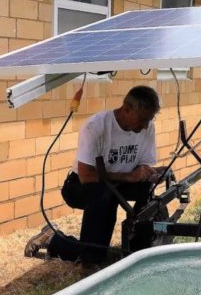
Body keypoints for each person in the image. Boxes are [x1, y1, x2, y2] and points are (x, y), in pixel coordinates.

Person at [25, 85, 166, 265]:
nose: (146, 125)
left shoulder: (147, 126)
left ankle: (138, 249)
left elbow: (144, 162)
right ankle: (53, 238)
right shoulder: (96, 127)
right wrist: (128, 176)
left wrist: (148, 173)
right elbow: (86, 176)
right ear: (126, 108)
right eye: (142, 119)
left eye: (150, 119)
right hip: (82, 186)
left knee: (147, 189)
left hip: (116, 184)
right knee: (92, 257)